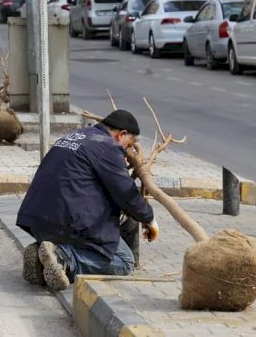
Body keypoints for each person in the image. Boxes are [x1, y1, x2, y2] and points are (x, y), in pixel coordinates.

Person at [16, 110, 158, 291]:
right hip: (67, 222)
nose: (126, 150)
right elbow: (126, 193)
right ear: (121, 134)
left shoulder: (76, 135)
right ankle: (64, 259)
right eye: (128, 144)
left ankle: (41, 255)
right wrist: (149, 218)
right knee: (124, 261)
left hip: (36, 219)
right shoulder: (108, 146)